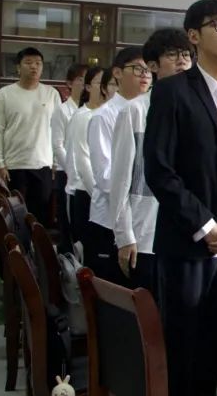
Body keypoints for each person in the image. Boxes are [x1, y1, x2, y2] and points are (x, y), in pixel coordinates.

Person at [143, 0, 217, 396]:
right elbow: (160, 170)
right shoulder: (172, 92)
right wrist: (207, 226)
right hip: (187, 242)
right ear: (194, 36)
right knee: (183, 343)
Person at [111, 29, 193, 293]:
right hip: (145, 234)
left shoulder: (197, 110)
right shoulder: (135, 110)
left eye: (186, 55)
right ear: (153, 66)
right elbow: (120, 179)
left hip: (189, 234)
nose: (182, 61)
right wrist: (124, 236)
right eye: (172, 55)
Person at [85, 47, 151, 282]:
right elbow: (104, 176)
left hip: (140, 221)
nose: (145, 75)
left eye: (148, 70)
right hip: (108, 221)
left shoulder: (149, 111)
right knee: (111, 290)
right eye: (137, 69)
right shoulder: (103, 116)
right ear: (117, 73)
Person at [0, 47, 61, 223]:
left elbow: (58, 130)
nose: (34, 67)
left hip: (42, 164)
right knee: (15, 217)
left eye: (38, 63)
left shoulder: (51, 94)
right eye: (28, 63)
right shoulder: (4, 95)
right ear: (18, 67)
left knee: (39, 217)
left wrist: (56, 162)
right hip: (14, 165)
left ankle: (36, 242)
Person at [64, 66, 108, 249]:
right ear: (88, 87)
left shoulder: (107, 114)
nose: (106, 88)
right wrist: (101, 197)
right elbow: (82, 163)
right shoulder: (83, 116)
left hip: (102, 195)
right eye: (100, 83)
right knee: (87, 252)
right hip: (86, 192)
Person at [51, 63, 86, 250]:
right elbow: (58, 145)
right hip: (67, 173)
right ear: (70, 84)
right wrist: (73, 169)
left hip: (85, 175)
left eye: (87, 80)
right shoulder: (62, 110)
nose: (84, 84)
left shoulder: (90, 110)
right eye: (80, 79)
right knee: (67, 223)